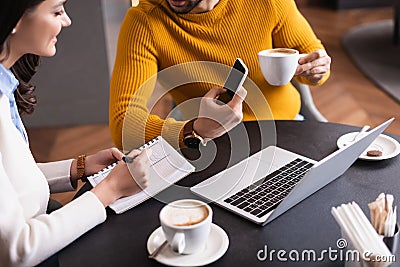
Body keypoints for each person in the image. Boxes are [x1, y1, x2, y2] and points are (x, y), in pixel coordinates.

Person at [0, 1, 150, 266]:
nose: (67, 21)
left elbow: (12, 181)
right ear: (14, 18)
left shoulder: (5, 85)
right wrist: (111, 188)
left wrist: (78, 167)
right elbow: (16, 250)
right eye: (57, 11)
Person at [109, 0, 331, 150]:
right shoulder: (144, 22)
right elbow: (124, 126)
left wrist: (316, 71)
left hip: (287, 129)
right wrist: (193, 130)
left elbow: (311, 55)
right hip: (212, 146)